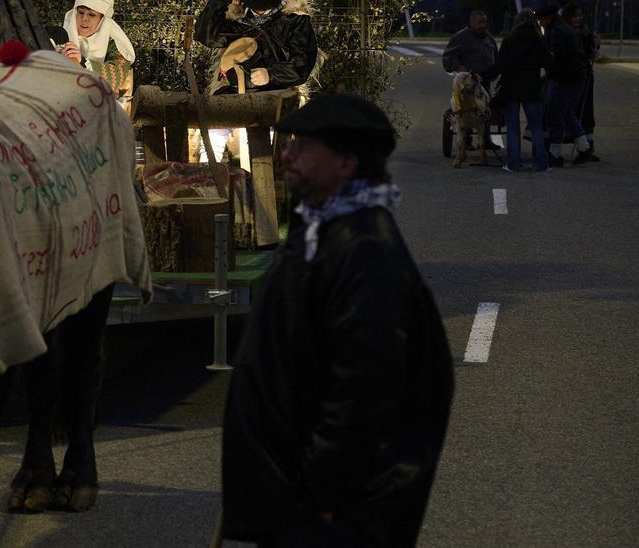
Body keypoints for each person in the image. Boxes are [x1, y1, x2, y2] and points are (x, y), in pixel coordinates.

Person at [213, 94, 455, 547]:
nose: (287, 155)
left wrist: (323, 489)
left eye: (302, 147)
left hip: (330, 514)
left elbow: (364, 389)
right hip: (302, 498)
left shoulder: (365, 250)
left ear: (345, 162)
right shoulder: (325, 226)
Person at [194, 0, 317, 247]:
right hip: (232, 92)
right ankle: (209, 185)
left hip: (276, 96)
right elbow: (205, 35)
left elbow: (302, 62)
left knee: (263, 144)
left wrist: (271, 75)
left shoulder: (295, 20)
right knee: (216, 126)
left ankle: (262, 204)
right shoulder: (235, 18)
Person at [487, 9, 551, 172]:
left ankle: (514, 163)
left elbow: (500, 65)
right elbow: (550, 63)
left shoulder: (510, 40)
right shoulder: (539, 40)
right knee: (536, 127)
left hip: (512, 88)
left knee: (513, 127)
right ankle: (541, 164)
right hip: (531, 88)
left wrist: (483, 75)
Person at [539, 2, 594, 167]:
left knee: (555, 113)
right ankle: (584, 147)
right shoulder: (563, 28)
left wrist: (547, 72)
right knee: (567, 112)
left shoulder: (557, 31)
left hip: (565, 79)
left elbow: (557, 58)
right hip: (577, 77)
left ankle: (555, 154)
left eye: (541, 20)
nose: (540, 23)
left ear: (547, 19)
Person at [443, 10, 499, 151]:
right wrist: (461, 69)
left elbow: (496, 57)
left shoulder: (489, 38)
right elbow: (448, 58)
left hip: (484, 81)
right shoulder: (461, 37)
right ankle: (466, 140)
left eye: (484, 22)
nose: (482, 25)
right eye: (479, 22)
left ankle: (486, 140)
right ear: (471, 22)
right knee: (466, 110)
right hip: (466, 84)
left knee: (484, 110)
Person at [57, 0, 136, 99]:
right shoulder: (61, 37)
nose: (84, 18)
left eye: (92, 14)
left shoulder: (115, 44)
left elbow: (116, 74)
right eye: (81, 12)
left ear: (102, 19)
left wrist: (82, 62)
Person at [569, 1, 601, 161]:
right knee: (573, 111)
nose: (579, 18)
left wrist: (596, 46)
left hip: (586, 77)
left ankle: (589, 146)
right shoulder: (567, 33)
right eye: (575, 15)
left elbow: (593, 56)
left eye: (580, 15)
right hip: (572, 77)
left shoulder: (587, 34)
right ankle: (580, 144)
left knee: (587, 111)